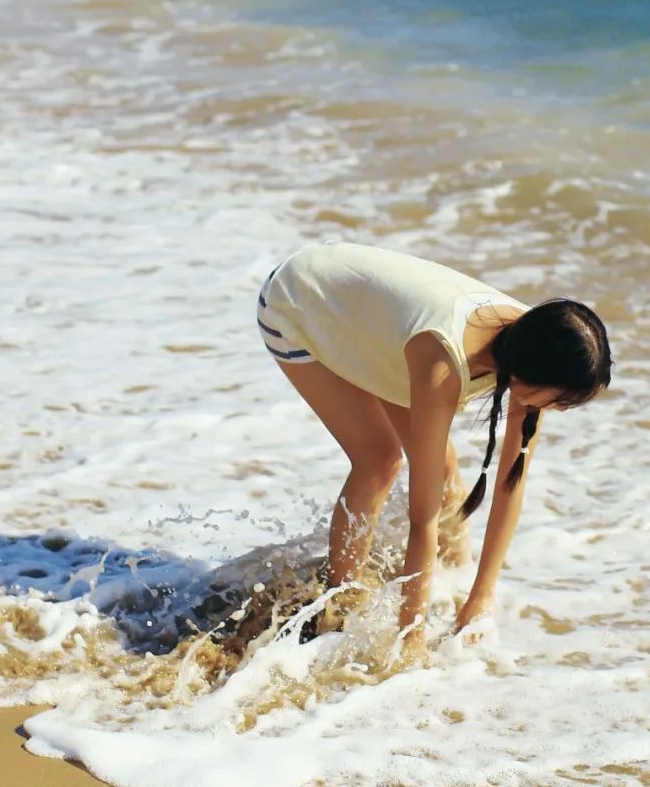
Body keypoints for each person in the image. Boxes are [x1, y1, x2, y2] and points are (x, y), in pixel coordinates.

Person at [257, 239, 611, 650]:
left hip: (373, 320)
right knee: (380, 459)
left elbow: (510, 484)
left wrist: (480, 598)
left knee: (442, 468)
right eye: (563, 400)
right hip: (299, 303)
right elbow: (422, 520)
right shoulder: (443, 363)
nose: (562, 409)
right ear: (533, 376)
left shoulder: (534, 343)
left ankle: (453, 576)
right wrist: (412, 639)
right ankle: (338, 603)